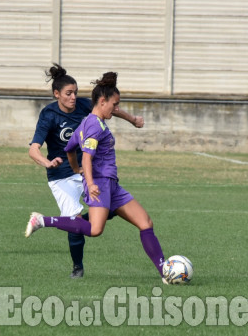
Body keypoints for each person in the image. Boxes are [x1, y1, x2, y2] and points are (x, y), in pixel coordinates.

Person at [26, 71, 166, 282]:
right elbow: (86, 158)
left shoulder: (86, 120)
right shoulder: (92, 125)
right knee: (94, 229)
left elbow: (70, 148)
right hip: (100, 182)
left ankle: (165, 272)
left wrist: (75, 170)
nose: (116, 108)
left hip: (113, 185)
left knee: (145, 222)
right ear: (102, 101)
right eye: (114, 104)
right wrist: (89, 181)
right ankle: (43, 221)